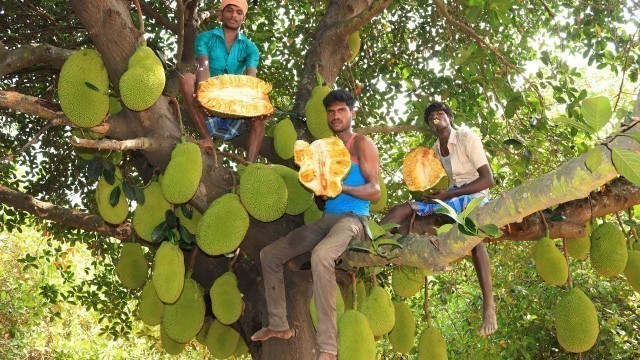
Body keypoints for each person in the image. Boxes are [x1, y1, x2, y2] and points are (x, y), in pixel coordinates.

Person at [251, 90, 380, 360]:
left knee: (322, 256)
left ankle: (329, 349)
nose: (336, 116)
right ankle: (279, 325)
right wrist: (320, 191)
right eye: (331, 112)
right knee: (269, 255)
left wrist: (340, 186)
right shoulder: (324, 149)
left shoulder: (362, 144)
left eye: (341, 110)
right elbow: (323, 199)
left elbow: (375, 191)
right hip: (326, 220)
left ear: (351, 113)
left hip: (354, 220)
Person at [381, 101, 498, 336]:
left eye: (441, 113)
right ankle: (372, 242)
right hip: (449, 198)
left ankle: (489, 305)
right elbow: (434, 179)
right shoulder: (434, 150)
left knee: (473, 238)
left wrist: (450, 194)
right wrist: (431, 196)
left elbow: (488, 180)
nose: (436, 116)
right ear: (431, 125)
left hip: (474, 195)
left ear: (449, 118)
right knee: (400, 210)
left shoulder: (466, 138)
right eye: (431, 115)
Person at [179, 0, 267, 162]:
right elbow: (202, 67)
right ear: (221, 14)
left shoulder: (250, 48)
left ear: (243, 18)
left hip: (235, 107)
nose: (234, 15)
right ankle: (206, 137)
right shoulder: (205, 38)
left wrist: (254, 103)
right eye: (230, 10)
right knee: (187, 79)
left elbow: (251, 79)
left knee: (261, 105)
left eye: (239, 12)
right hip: (206, 105)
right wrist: (204, 98)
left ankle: (250, 166)